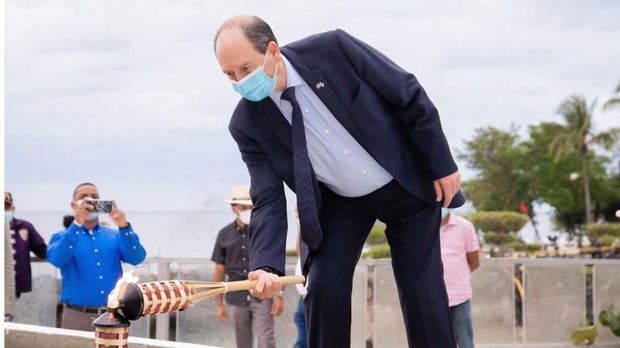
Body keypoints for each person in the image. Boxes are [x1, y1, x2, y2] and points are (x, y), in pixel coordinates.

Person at [214, 16, 464, 347]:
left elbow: (407, 92)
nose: (240, 82)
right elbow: (267, 197)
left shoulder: (333, 49)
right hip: (342, 202)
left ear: (272, 50)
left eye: (246, 69)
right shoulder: (246, 123)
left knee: (422, 289)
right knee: (323, 286)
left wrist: (441, 165)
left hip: (402, 180)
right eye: (230, 75)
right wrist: (265, 266)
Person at [47, 183, 146, 331]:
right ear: (73, 205)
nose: (89, 199)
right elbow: (57, 259)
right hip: (76, 316)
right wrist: (77, 223)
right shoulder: (61, 237)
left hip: (113, 316)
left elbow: (137, 258)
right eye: (83, 197)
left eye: (95, 197)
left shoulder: (115, 235)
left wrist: (123, 225)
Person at [211, 186, 283, 348]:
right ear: (233, 209)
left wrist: (279, 294)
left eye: (250, 207)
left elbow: (276, 264)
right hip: (235, 296)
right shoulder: (224, 234)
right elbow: (219, 270)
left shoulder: (263, 232)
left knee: (267, 341)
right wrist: (219, 305)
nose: (247, 211)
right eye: (243, 208)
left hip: (263, 293)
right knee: (242, 343)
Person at [439, 208, 480, 348]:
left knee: (465, 342)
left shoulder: (465, 226)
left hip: (460, 296)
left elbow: (474, 261)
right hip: (434, 297)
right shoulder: (425, 226)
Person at [5, 192, 47, 298]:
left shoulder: (24, 227)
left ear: (12, 208)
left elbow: (42, 250)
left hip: (13, 289)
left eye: (6, 205)